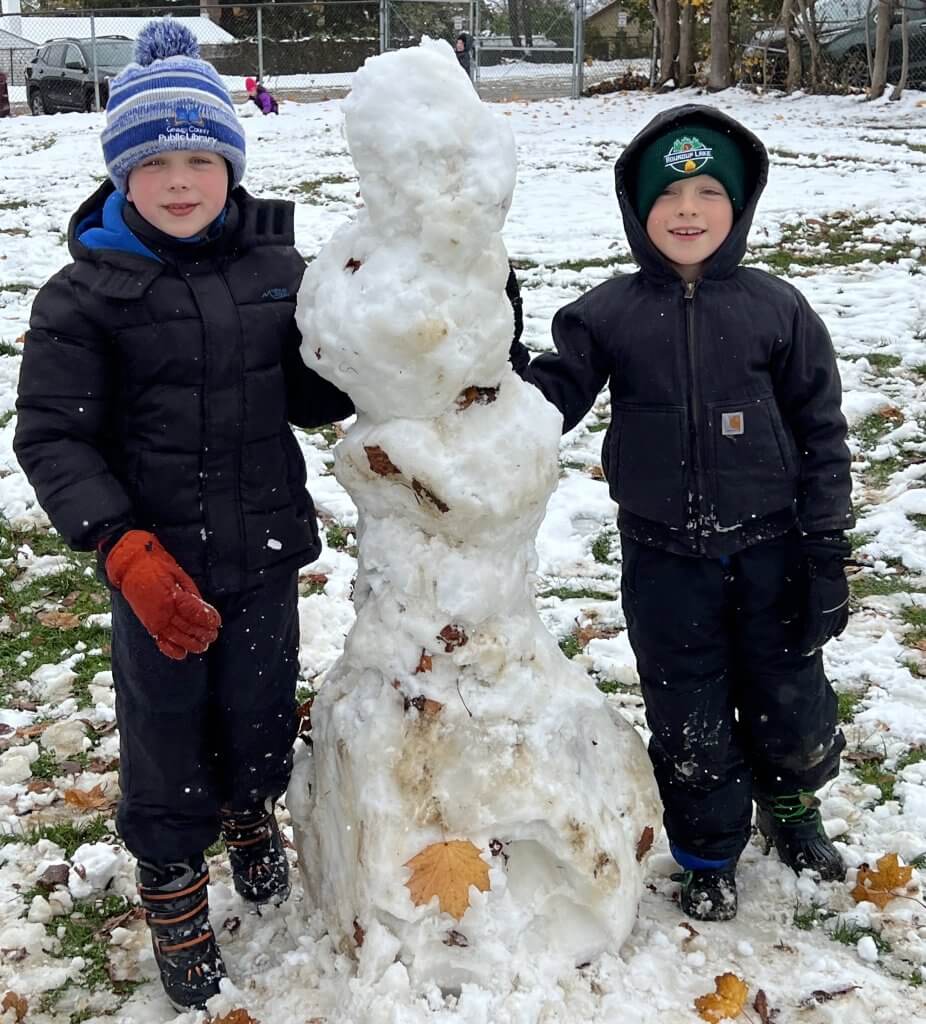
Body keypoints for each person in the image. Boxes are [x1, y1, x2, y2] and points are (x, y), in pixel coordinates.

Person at [14, 20, 352, 1011]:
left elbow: (311, 396)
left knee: (259, 706)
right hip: (156, 562)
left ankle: (248, 811)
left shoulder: (276, 272)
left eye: (200, 159)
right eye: (154, 162)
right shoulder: (83, 296)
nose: (178, 182)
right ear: (122, 172)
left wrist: (374, 347)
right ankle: (171, 880)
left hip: (264, 545)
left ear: (231, 167)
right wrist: (120, 547)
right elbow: (52, 436)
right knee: (164, 734)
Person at [511, 104, 853, 922]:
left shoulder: (777, 309)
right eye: (668, 195)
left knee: (788, 697)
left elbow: (822, 431)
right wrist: (497, 338)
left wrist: (826, 548)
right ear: (638, 210)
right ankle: (706, 852)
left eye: (708, 193)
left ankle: (791, 805)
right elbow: (543, 404)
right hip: (663, 556)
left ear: (739, 206)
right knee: (687, 712)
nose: (688, 210)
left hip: (772, 547)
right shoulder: (610, 313)